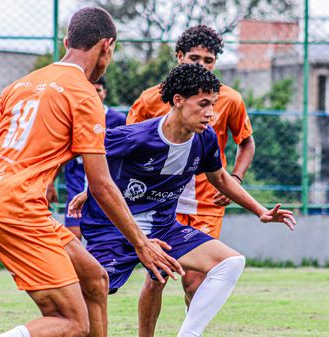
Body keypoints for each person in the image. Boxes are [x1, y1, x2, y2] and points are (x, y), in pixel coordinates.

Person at [0, 7, 183, 337]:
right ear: (106, 46)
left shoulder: (21, 83)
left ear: (67, 41)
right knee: (71, 323)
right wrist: (141, 243)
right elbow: (101, 183)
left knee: (95, 280)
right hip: (18, 210)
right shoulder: (83, 93)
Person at [68, 63, 295, 337]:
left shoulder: (205, 139)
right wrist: (88, 191)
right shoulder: (137, 137)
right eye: (202, 104)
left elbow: (220, 178)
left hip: (164, 229)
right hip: (116, 230)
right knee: (83, 301)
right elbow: (86, 156)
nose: (210, 113)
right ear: (178, 101)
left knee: (230, 263)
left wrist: (261, 211)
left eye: (213, 104)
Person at [127, 25, 255, 336]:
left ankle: (190, 330)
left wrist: (236, 177)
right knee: (156, 276)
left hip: (206, 202)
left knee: (195, 278)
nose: (200, 65)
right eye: (193, 58)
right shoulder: (151, 99)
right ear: (179, 57)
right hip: (160, 202)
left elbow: (246, 141)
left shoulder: (229, 99)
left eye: (208, 60)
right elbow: (128, 145)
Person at [63, 76, 126, 239]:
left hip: (104, 187)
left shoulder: (118, 120)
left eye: (98, 90)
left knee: (103, 241)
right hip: (76, 185)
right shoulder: (72, 115)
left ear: (104, 93)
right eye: (91, 90)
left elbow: (124, 154)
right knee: (73, 238)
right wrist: (49, 183)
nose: (94, 94)